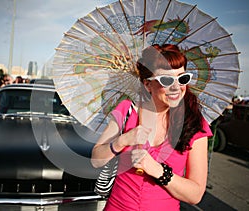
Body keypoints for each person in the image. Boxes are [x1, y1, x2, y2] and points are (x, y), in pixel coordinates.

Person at [91, 44, 213, 210]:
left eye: (182, 78)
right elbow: (96, 160)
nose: (176, 87)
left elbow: (195, 195)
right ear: (147, 84)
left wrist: (158, 171)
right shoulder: (128, 110)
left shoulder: (194, 123)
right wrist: (122, 141)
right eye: (167, 80)